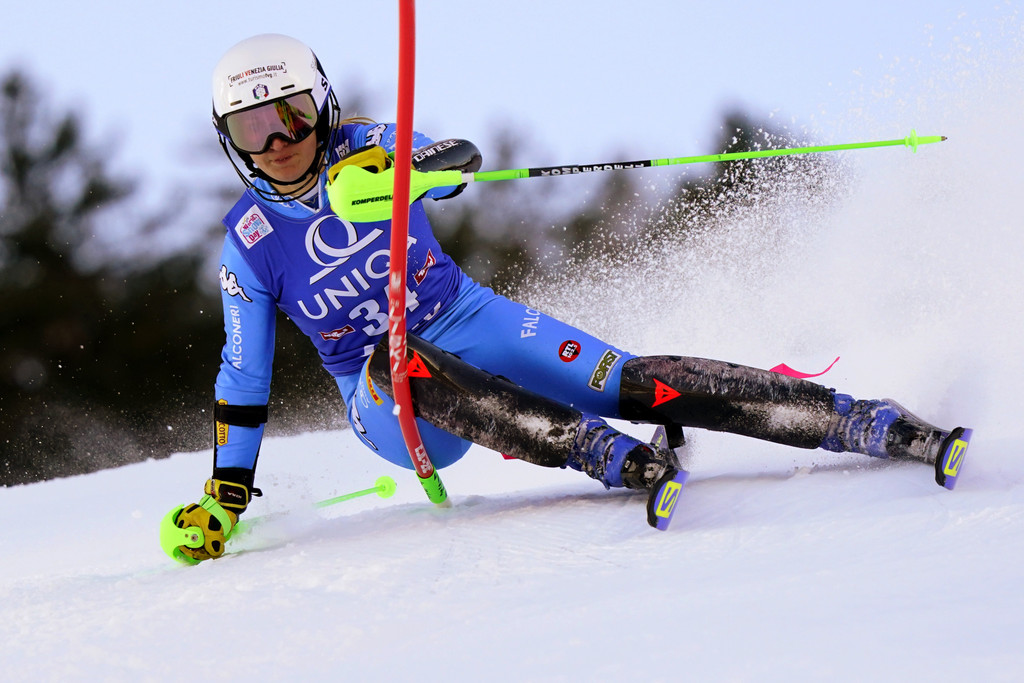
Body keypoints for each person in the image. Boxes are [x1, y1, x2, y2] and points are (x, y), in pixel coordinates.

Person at [161, 34, 971, 563]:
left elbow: (453, 158)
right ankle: (606, 454)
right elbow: (243, 375)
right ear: (230, 141)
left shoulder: (367, 143)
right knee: (393, 359)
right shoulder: (248, 243)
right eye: (253, 129)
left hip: (468, 315)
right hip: (386, 399)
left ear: (323, 105)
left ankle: (859, 420)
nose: (279, 142)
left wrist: (403, 175)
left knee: (628, 379)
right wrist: (226, 496)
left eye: (293, 116)